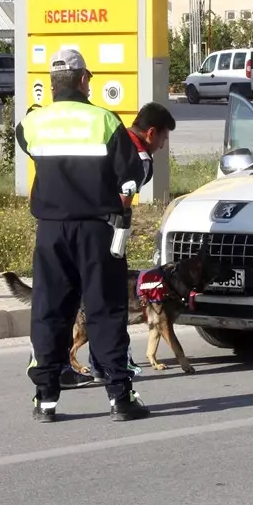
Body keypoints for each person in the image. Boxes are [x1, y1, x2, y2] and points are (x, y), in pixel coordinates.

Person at [16, 48, 151, 422]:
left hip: (51, 232)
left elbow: (24, 139)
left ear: (52, 84)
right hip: (97, 230)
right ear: (82, 80)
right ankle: (120, 398)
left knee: (49, 310)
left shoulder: (35, 123)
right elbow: (132, 172)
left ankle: (45, 399)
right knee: (105, 309)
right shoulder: (105, 121)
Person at [83, 102, 179, 383]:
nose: (162, 146)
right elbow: (121, 200)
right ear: (151, 132)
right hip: (105, 232)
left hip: (71, 223)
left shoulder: (112, 136)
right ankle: (112, 364)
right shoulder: (141, 160)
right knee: (110, 301)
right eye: (162, 138)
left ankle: (79, 364)